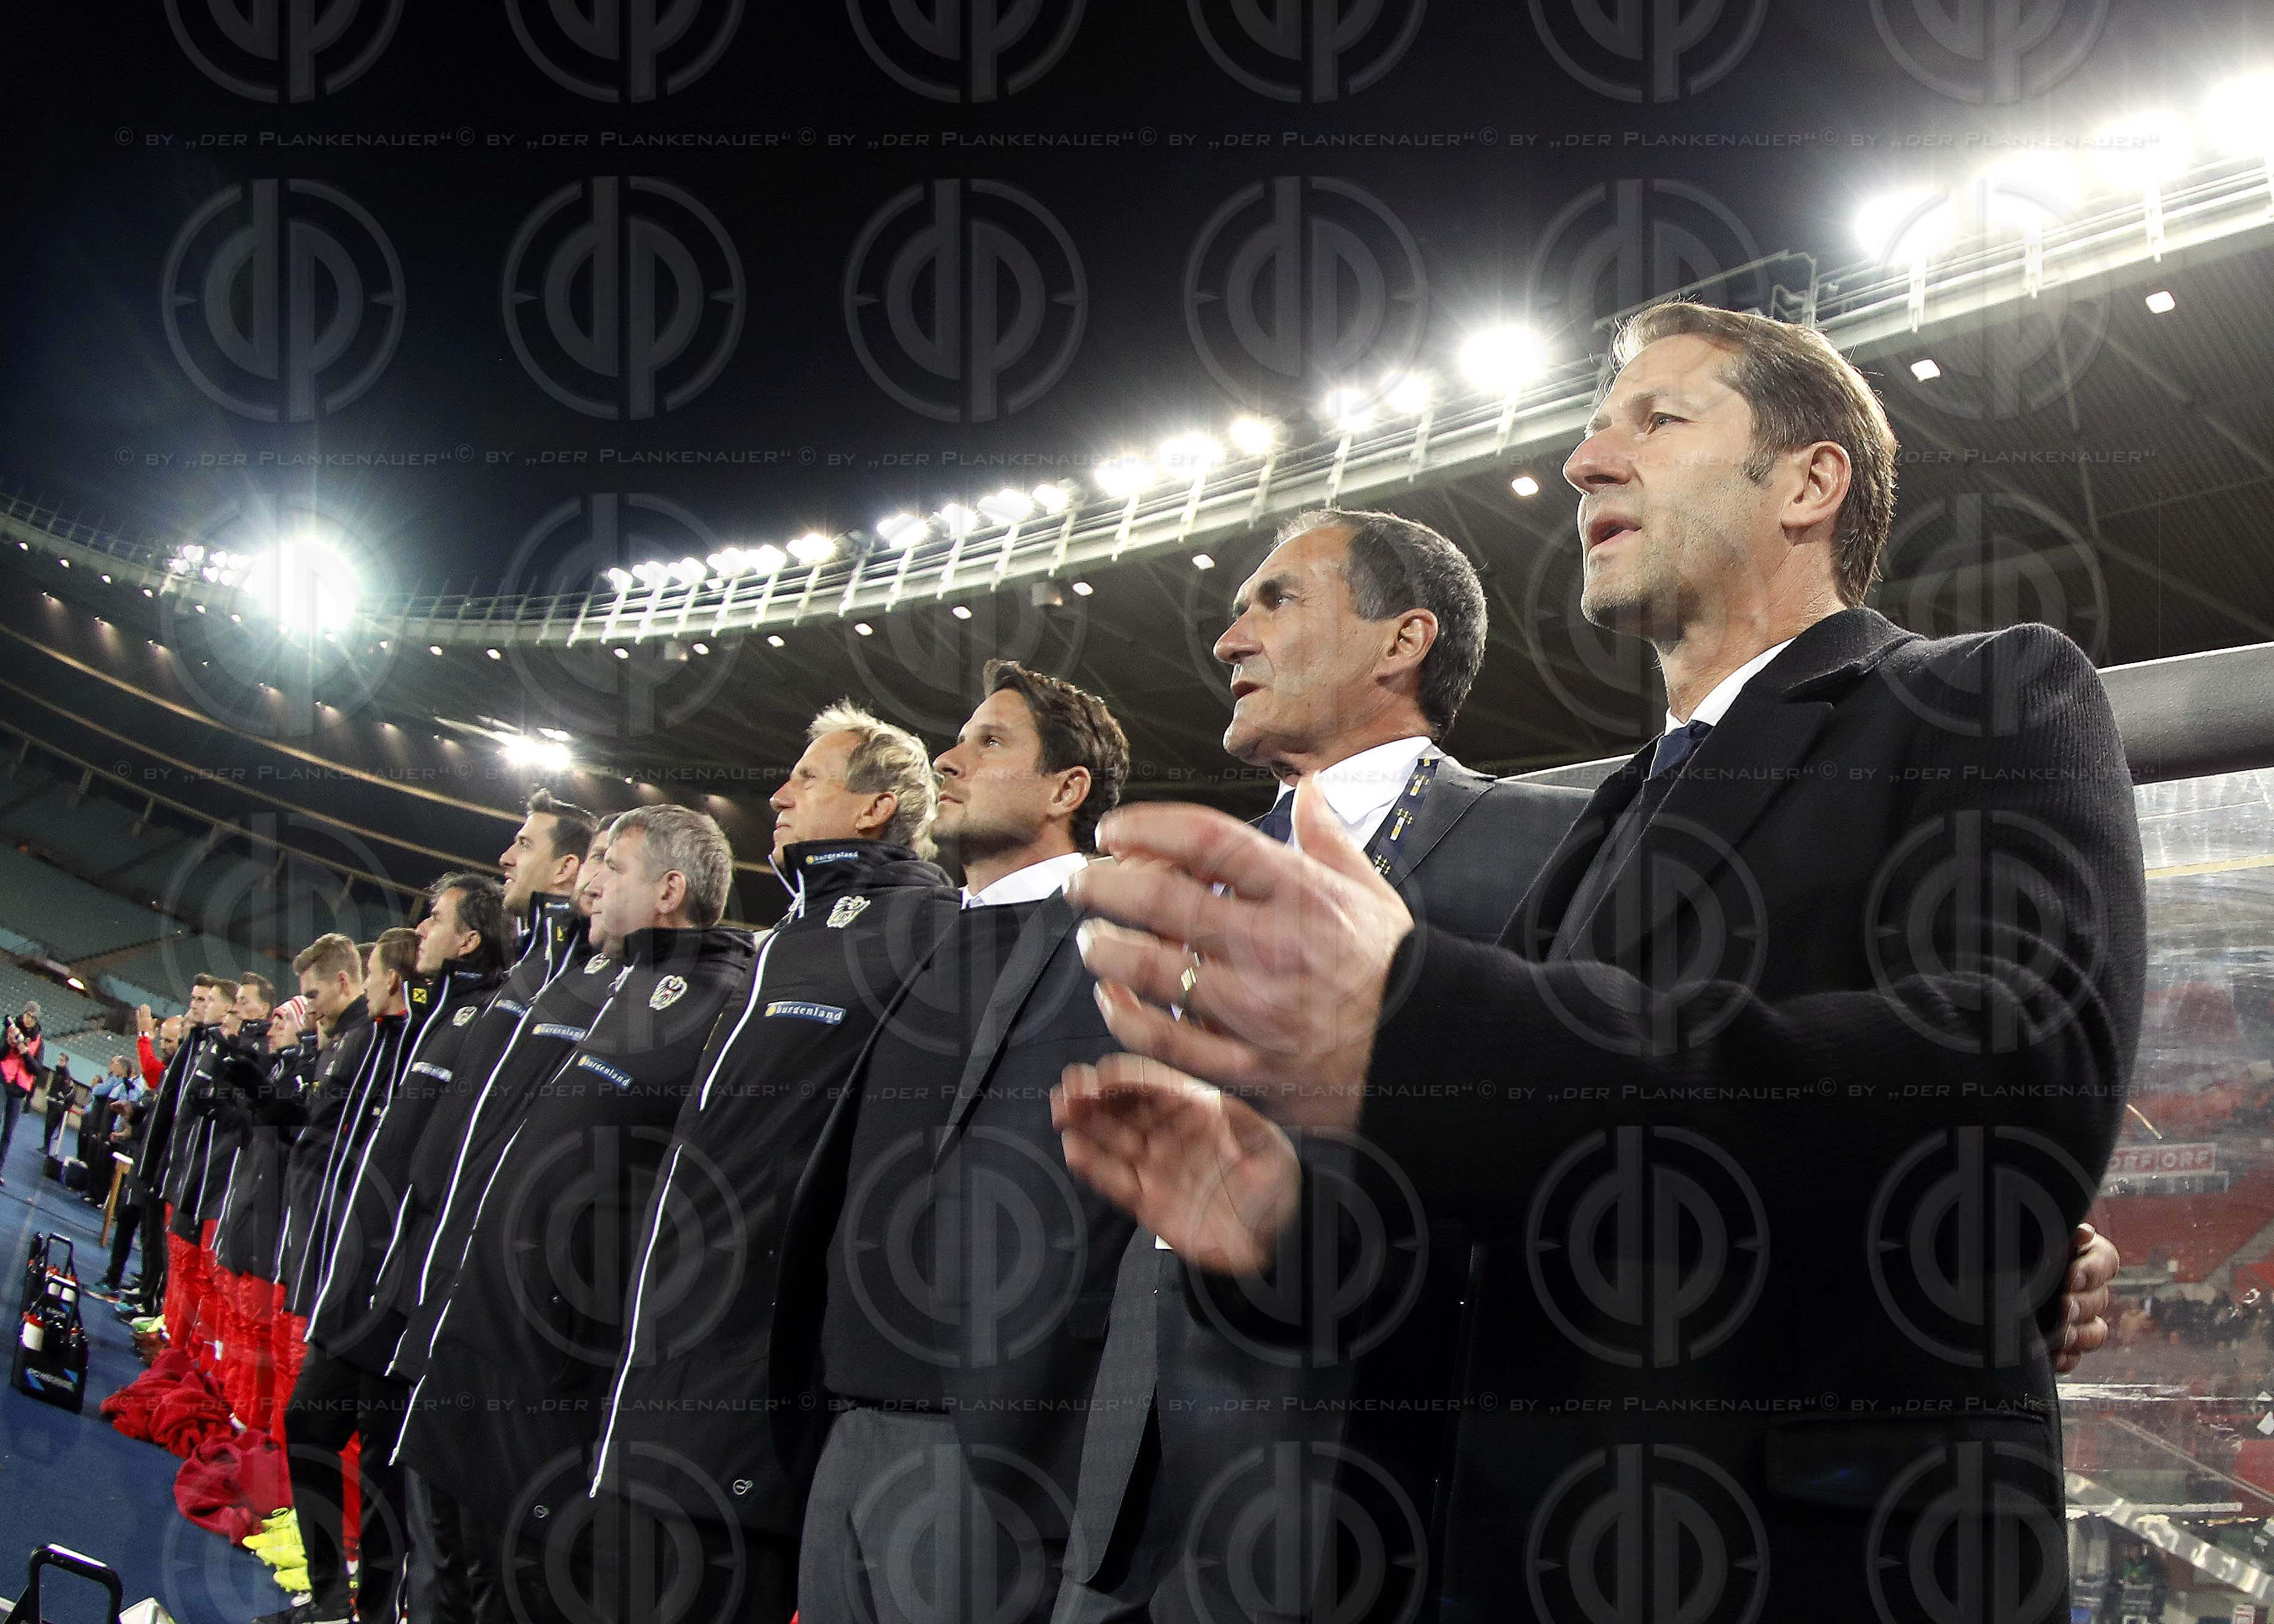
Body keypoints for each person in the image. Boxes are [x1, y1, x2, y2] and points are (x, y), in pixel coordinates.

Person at [1054, 302, 2148, 1620]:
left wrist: (1423, 1024)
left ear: (1810, 483)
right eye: (1591, 429)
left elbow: (2016, 1084)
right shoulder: (1603, 824)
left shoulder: (1985, 693)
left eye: (1657, 419)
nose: (1583, 463)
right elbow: (1495, 1228)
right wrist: (1283, 1224)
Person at [778, 663, 1136, 1624]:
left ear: (1067, 789)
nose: (950, 758)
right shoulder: (914, 946)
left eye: (990, 741)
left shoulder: (1119, 944)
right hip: (843, 1426)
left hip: (985, 1456)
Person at [587, 704, 954, 1624]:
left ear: (875, 807)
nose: (780, 794)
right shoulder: (785, 938)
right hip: (661, 1367)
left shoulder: (929, 928)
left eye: (808, 778)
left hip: (755, 1397)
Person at [403, 805, 754, 1624]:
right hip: (482, 1327)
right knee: (449, 1567)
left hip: (559, 1366)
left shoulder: (719, 1002)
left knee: (514, 1587)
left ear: (669, 890)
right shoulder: (605, 982)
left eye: (612, 867)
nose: (591, 882)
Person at [266, 931, 415, 1624]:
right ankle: (331, 1599)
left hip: (396, 1287)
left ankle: (370, 1609)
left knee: (385, 1467)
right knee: (309, 1424)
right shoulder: (372, 1042)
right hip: (352, 1275)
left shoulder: (413, 1047)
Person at [0, 999, 47, 1181]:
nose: (29, 1020)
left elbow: (37, 1070)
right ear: (24, 1013)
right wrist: (8, 1043)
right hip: (3, 1079)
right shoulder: (11, 1029)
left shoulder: (39, 1041)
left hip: (19, 1089)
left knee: (8, 1132)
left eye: (33, 1018)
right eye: (28, 1015)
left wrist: (26, 1053)